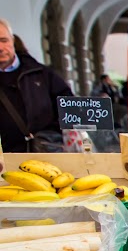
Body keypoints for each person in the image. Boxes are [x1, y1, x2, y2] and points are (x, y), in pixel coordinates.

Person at [0, 17, 73, 153]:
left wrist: (51, 133)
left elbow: (69, 106)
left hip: (45, 152)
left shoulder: (41, 73)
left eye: (4, 40)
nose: (0, 48)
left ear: (13, 41)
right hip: (6, 157)